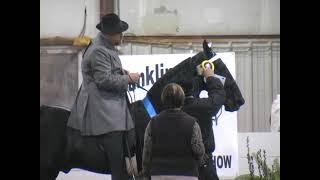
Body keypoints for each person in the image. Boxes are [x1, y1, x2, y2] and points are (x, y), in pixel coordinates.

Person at [67, 13, 140, 180]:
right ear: (109, 33)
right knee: (115, 140)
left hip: (111, 101)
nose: (122, 35)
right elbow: (103, 80)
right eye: (119, 32)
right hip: (103, 106)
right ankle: (118, 171)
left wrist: (123, 74)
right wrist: (128, 79)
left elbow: (109, 72)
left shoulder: (106, 46)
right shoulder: (99, 50)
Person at [142, 83, 205, 180]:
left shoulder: (152, 123)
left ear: (163, 99)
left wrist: (146, 173)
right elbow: (199, 151)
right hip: (187, 174)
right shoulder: (192, 123)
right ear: (182, 100)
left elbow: (147, 151)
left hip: (159, 174)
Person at [179, 66, 226, 180]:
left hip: (180, 166)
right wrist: (210, 77)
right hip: (204, 164)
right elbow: (218, 97)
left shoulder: (171, 110)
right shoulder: (202, 106)